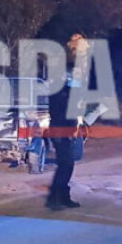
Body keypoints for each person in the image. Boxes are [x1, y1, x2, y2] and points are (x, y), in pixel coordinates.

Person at [45, 34, 97, 210]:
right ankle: (55, 198)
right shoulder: (65, 72)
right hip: (61, 124)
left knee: (67, 163)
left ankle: (62, 196)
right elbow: (64, 99)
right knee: (65, 163)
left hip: (68, 123)